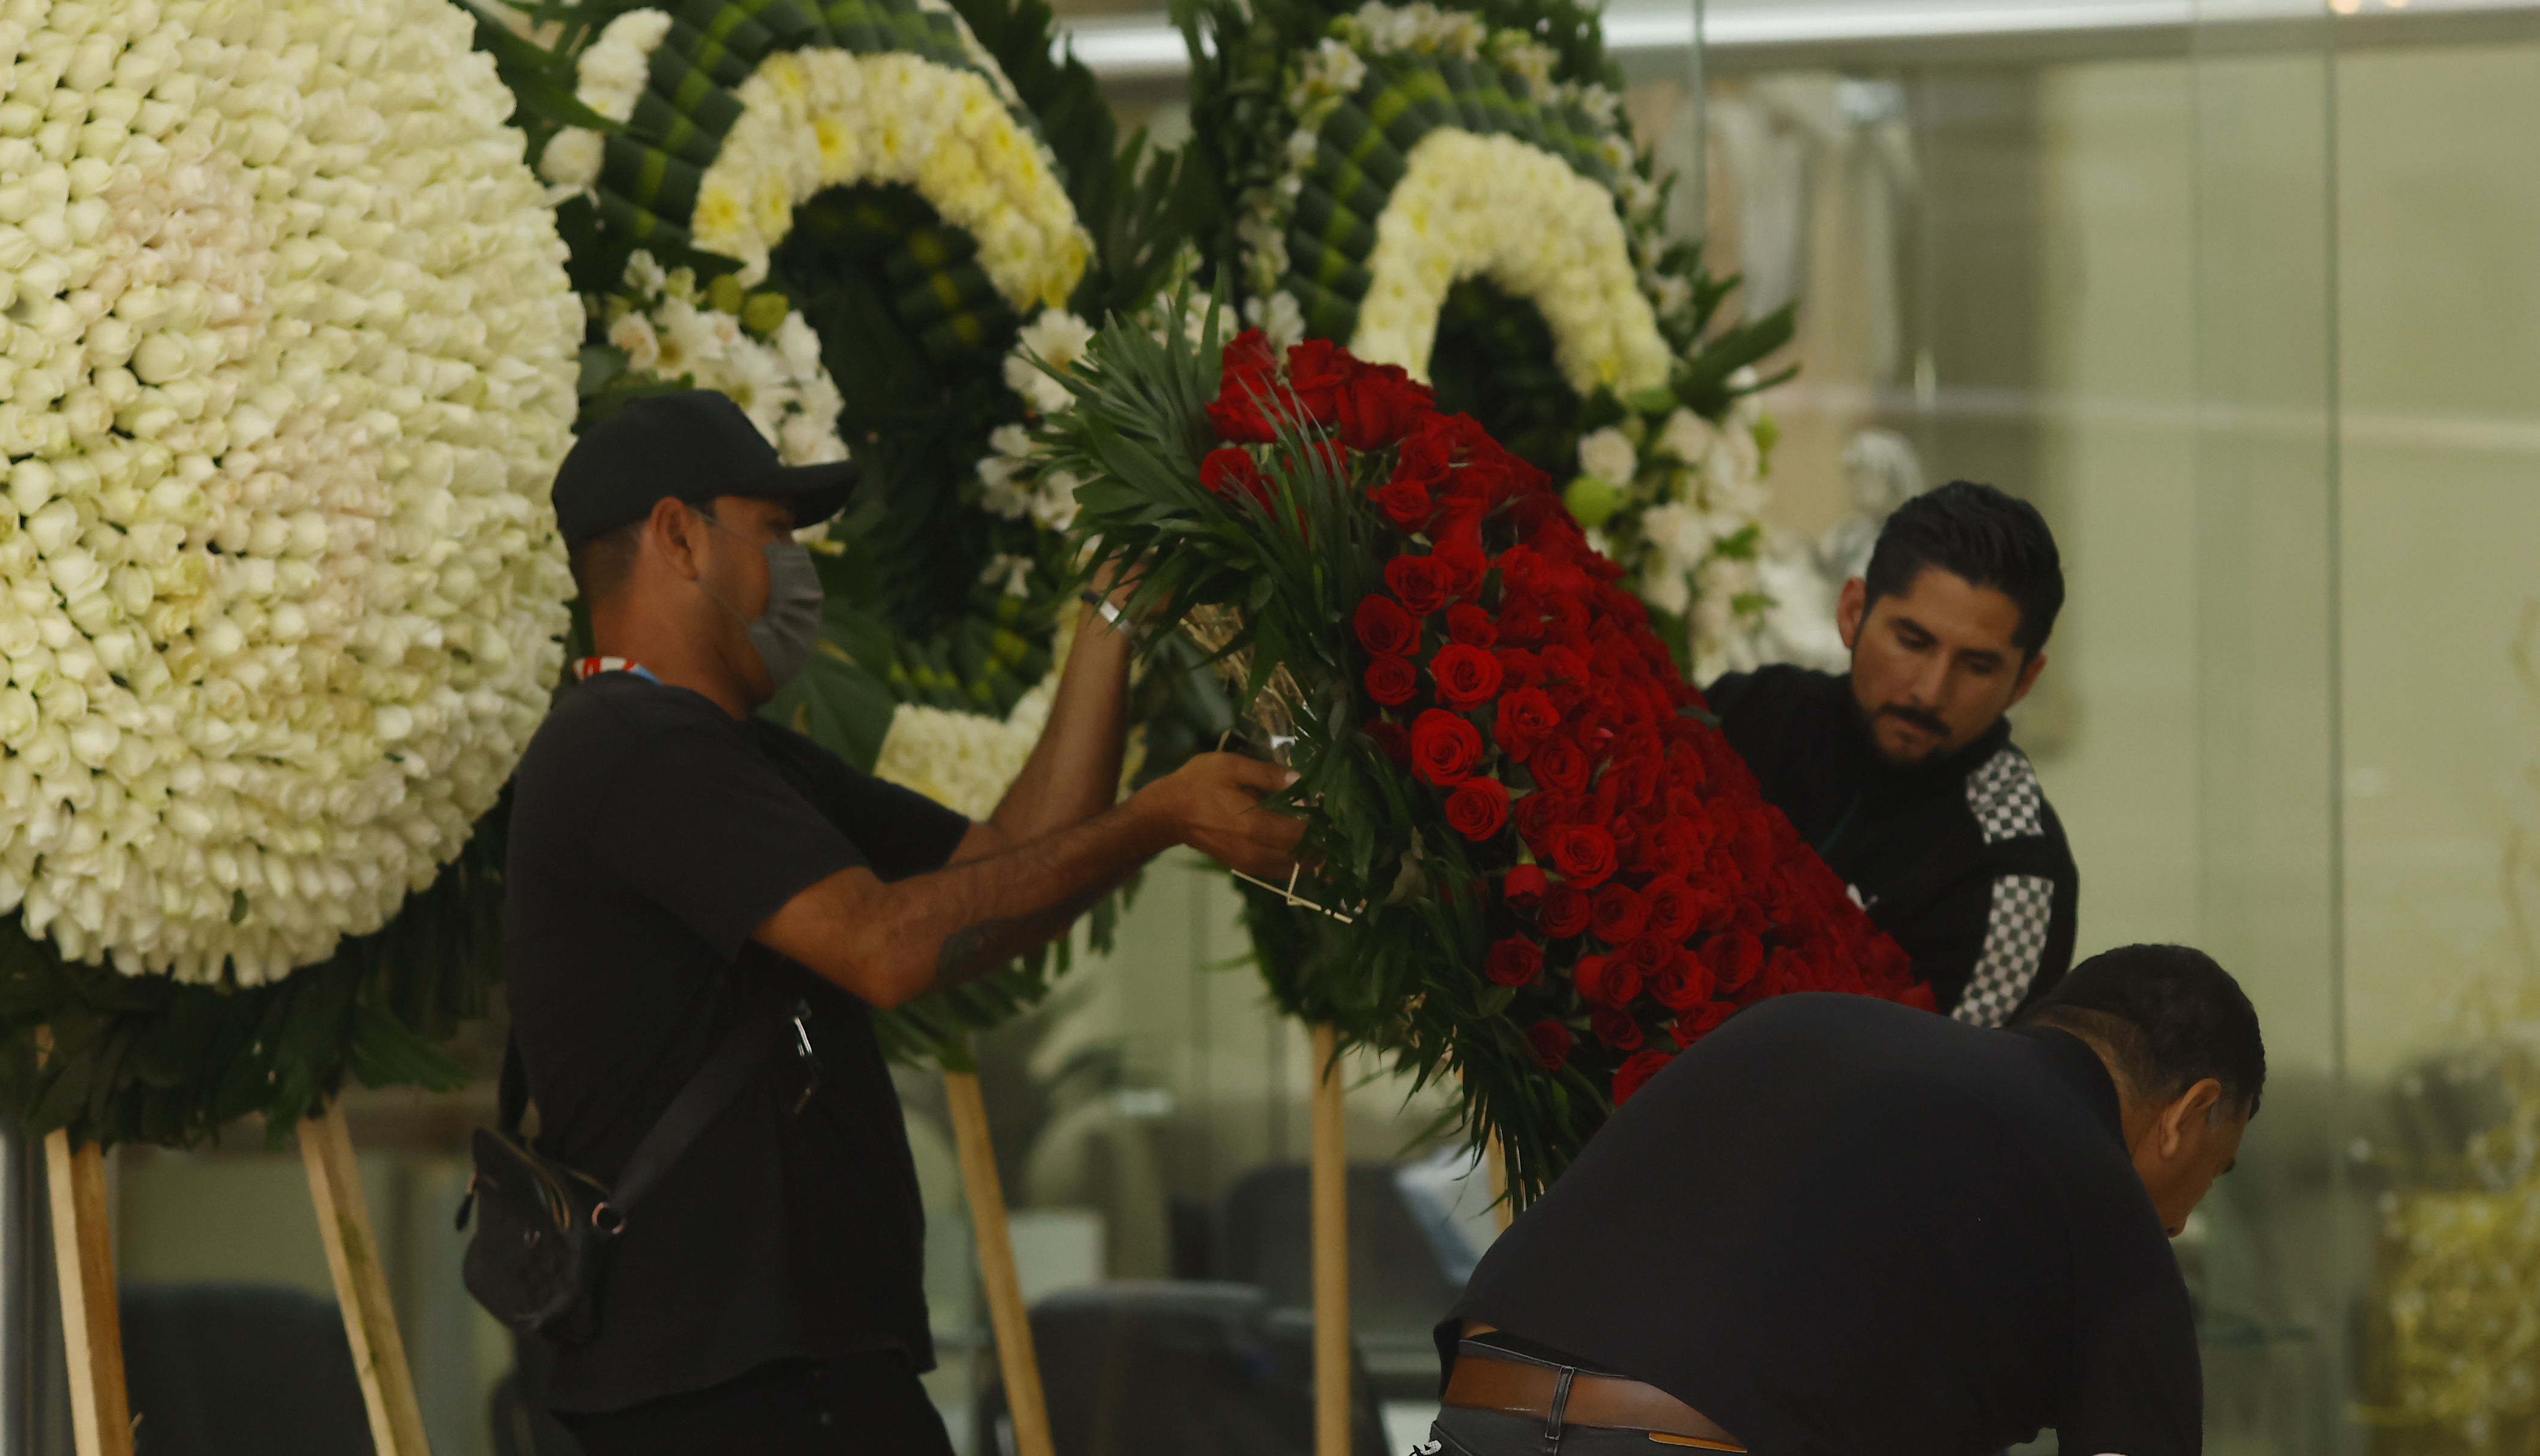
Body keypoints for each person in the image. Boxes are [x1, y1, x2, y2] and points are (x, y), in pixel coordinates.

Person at [502, 390, 1305, 1455]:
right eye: (776, 531)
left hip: (807, 1378)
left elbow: (1010, 856)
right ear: (679, 536)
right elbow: (883, 947)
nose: (798, 570)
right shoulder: (631, 745)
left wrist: (1111, 617)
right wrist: (1158, 816)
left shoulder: (740, 754)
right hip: (727, 1398)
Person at [1427, 944, 2261, 1456]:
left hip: (1478, 1406)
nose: (2181, 1221)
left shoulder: (1809, 1025)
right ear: (2187, 1114)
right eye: (2216, 1167)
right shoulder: (2106, 1197)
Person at [1708, 480, 2076, 1025]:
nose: (1930, 690)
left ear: (2024, 680)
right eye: (1912, 641)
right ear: (1853, 612)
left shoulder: (2013, 877)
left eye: (1978, 666)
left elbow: (1937, 1078)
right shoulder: (1751, 712)